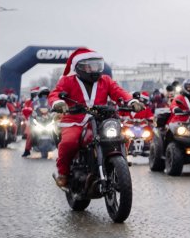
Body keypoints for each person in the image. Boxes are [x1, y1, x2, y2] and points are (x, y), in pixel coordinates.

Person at [50, 48, 142, 188]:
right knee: (69, 142)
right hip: (75, 120)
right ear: (79, 67)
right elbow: (55, 94)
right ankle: (63, 174)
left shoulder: (106, 80)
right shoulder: (67, 81)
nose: (94, 69)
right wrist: (59, 103)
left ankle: (118, 163)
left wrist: (131, 101)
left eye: (96, 65)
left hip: (102, 120)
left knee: (122, 136)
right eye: (89, 66)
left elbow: (119, 92)